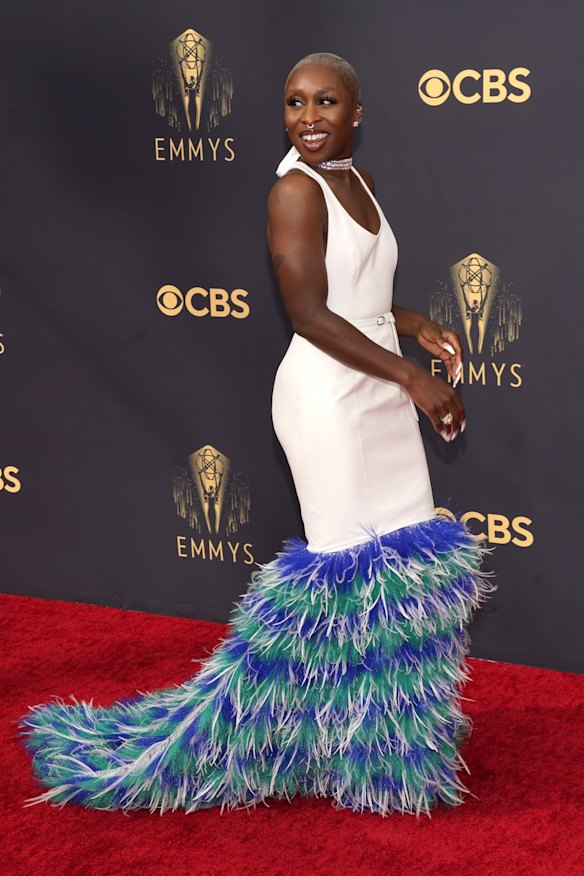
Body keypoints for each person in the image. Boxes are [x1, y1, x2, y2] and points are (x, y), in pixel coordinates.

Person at [19, 53, 495, 819]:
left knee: (398, 575)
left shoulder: (356, 180)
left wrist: (416, 326)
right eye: (294, 102)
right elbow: (309, 314)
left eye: (326, 102)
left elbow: (359, 295)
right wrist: (411, 376)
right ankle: (266, 737)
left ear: (357, 113)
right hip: (329, 399)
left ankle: (384, 744)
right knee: (348, 580)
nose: (308, 117)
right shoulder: (293, 192)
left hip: (372, 382)